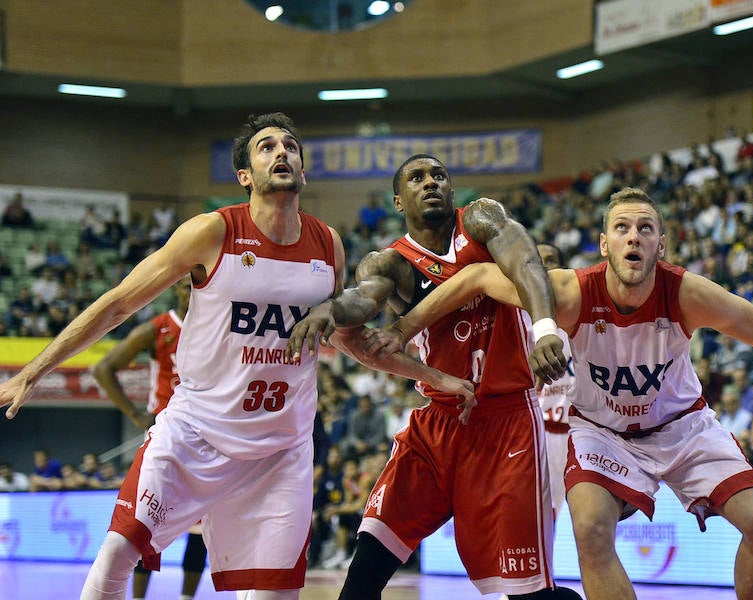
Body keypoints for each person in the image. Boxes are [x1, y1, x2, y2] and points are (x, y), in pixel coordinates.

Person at [0, 113, 472, 600]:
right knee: (120, 553)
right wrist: (35, 371)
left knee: (274, 595)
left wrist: (436, 376)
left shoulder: (327, 243)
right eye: (266, 147)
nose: (282, 152)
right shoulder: (211, 231)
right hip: (196, 432)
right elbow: (119, 302)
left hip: (280, 452)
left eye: (291, 146)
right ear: (245, 175)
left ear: (304, 172)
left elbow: (350, 339)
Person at [377, 187, 753, 600]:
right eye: (622, 228)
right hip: (603, 433)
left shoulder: (686, 292)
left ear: (661, 245)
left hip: (684, 426)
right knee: (591, 531)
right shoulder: (575, 292)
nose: (633, 237)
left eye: (645, 228)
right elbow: (480, 276)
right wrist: (403, 328)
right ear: (604, 244)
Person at [287, 153, 577, 599]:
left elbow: (526, 265)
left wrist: (544, 332)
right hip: (438, 423)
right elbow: (363, 302)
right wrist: (329, 308)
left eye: (438, 175)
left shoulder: (481, 220)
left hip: (508, 423)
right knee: (364, 570)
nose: (430, 183)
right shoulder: (390, 263)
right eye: (417, 178)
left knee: (528, 594)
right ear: (398, 201)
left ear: (452, 189)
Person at [92, 276, 208, 600]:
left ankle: (187, 598)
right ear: (176, 289)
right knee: (143, 525)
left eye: (200, 284)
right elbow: (103, 368)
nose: (194, 291)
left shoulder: (218, 327)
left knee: (199, 533)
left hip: (205, 440)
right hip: (166, 439)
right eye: (187, 285)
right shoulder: (157, 328)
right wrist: (135, 415)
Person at [534, 243, 577, 521]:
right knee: (539, 516)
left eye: (552, 260)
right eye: (539, 261)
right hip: (538, 433)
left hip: (579, 432)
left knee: (584, 519)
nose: (546, 266)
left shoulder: (580, 316)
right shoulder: (519, 320)